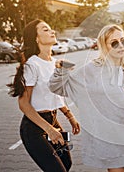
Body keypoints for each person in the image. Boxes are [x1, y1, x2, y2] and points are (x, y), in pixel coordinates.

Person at [48, 24, 124, 172]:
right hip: (109, 143)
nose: (121, 46)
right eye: (114, 43)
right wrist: (61, 71)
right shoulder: (91, 70)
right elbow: (58, 87)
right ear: (103, 46)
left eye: (123, 41)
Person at [7, 19, 80, 172]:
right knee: (56, 169)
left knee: (67, 163)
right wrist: (50, 130)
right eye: (45, 29)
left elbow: (55, 95)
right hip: (34, 128)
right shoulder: (32, 65)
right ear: (36, 38)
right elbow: (24, 104)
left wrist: (70, 116)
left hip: (53, 120)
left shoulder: (54, 62)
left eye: (50, 28)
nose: (52, 31)